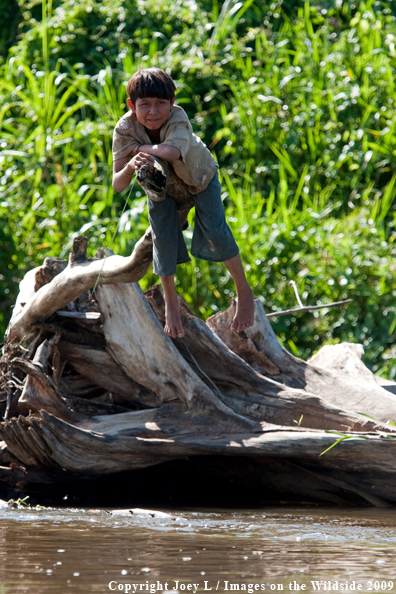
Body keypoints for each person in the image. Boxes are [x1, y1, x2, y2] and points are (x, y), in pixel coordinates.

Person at [112, 67, 254, 339]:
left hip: (199, 176)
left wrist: (140, 149)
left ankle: (243, 291)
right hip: (162, 187)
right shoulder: (125, 128)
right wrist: (131, 165)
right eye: (145, 105)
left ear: (172, 103)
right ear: (132, 105)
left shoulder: (177, 117)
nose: (153, 111)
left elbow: (172, 151)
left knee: (215, 229)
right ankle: (171, 302)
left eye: (161, 104)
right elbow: (118, 184)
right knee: (162, 239)